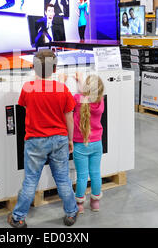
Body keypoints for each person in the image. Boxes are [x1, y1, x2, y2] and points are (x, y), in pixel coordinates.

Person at [7, 49, 79, 228]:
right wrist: (70, 139)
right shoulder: (63, 89)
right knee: (63, 178)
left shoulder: (27, 88)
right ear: (55, 69)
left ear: (34, 68)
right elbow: (69, 117)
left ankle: (18, 218)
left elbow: (25, 108)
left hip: (35, 140)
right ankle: (71, 213)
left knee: (31, 180)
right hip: (60, 139)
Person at [61, 72, 105, 213]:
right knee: (95, 173)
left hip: (80, 144)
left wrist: (63, 82)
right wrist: (83, 83)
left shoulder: (77, 99)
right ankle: (95, 203)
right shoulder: (100, 102)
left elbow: (65, 97)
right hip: (97, 143)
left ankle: (79, 205)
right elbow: (88, 95)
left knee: (82, 176)